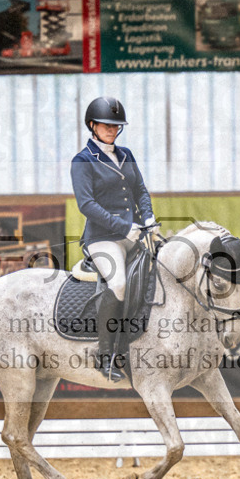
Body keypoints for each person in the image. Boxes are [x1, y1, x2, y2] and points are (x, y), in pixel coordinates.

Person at [70, 96, 157, 382]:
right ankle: (105, 355)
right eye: (107, 125)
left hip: (134, 231)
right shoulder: (82, 161)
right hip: (103, 237)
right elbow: (87, 205)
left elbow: (140, 190)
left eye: (116, 126)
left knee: (166, 268)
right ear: (92, 125)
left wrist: (148, 219)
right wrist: (123, 227)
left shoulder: (126, 154)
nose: (112, 130)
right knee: (118, 282)